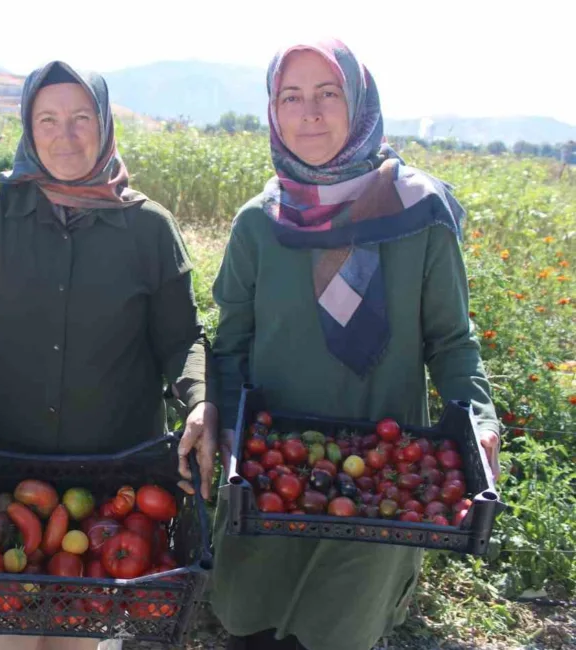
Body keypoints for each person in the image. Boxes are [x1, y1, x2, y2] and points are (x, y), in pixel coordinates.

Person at [0, 60, 216, 650]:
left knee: (83, 640)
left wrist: (198, 401)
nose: (66, 135)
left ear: (106, 124)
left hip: (113, 494)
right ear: (28, 129)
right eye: (49, 119)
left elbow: (182, 338)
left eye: (82, 117)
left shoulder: (150, 231)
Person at [207, 38, 501, 650]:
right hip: (270, 474)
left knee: (341, 628)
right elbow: (231, 342)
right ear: (273, 111)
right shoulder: (260, 223)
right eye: (291, 96)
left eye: (327, 93)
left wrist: (478, 419)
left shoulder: (421, 214)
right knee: (252, 625)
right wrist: (228, 428)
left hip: (384, 482)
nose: (309, 112)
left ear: (359, 103)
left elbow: (451, 340)